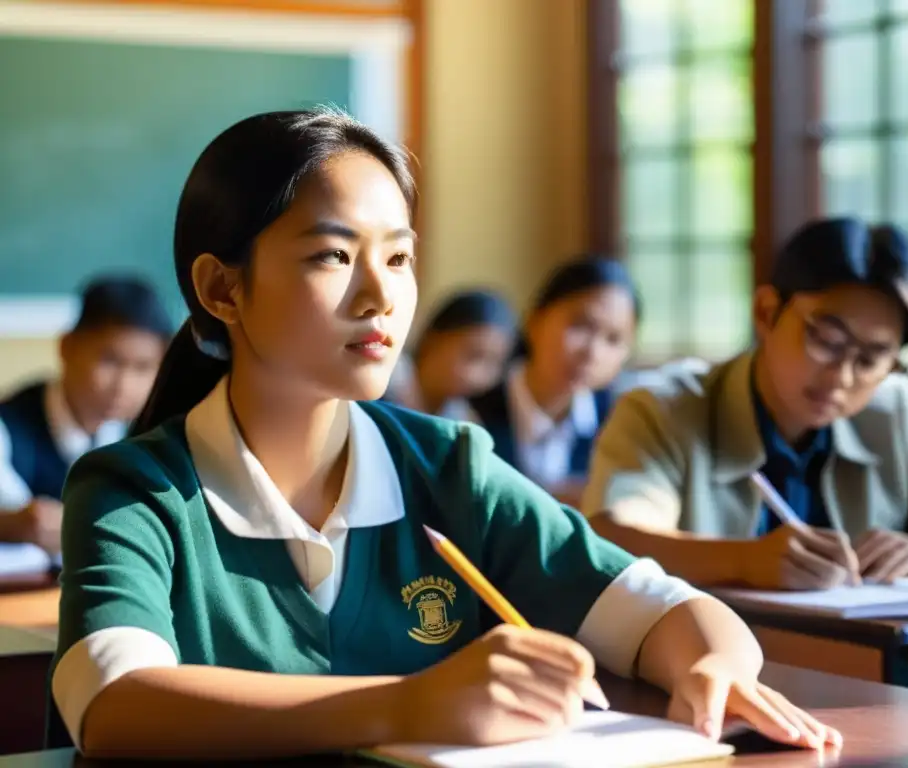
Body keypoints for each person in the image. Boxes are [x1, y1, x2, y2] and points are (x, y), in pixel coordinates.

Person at [50, 107, 839, 760]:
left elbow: (668, 610)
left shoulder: (448, 467)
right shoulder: (132, 490)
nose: (381, 297)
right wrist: (408, 706)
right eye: (333, 255)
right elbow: (118, 707)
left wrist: (713, 665)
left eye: (399, 259)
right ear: (222, 288)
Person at [581, 217, 908, 591]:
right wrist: (745, 562)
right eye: (827, 341)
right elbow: (611, 540)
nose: (841, 377)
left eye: (871, 359)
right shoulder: (663, 410)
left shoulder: (895, 421)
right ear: (766, 313)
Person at [0, 276, 171, 552]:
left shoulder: (151, 433)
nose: (123, 386)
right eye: (109, 361)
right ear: (66, 347)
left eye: (143, 367)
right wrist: (13, 524)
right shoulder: (8, 427)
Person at [470, 256, 639, 508]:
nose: (592, 352)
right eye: (580, 325)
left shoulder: (619, 422)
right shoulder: (471, 408)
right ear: (534, 320)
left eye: (613, 339)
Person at [384, 289, 516, 420]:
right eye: (473, 355)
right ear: (435, 338)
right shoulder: (384, 382)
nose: (477, 377)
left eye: (494, 364)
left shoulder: (463, 420)